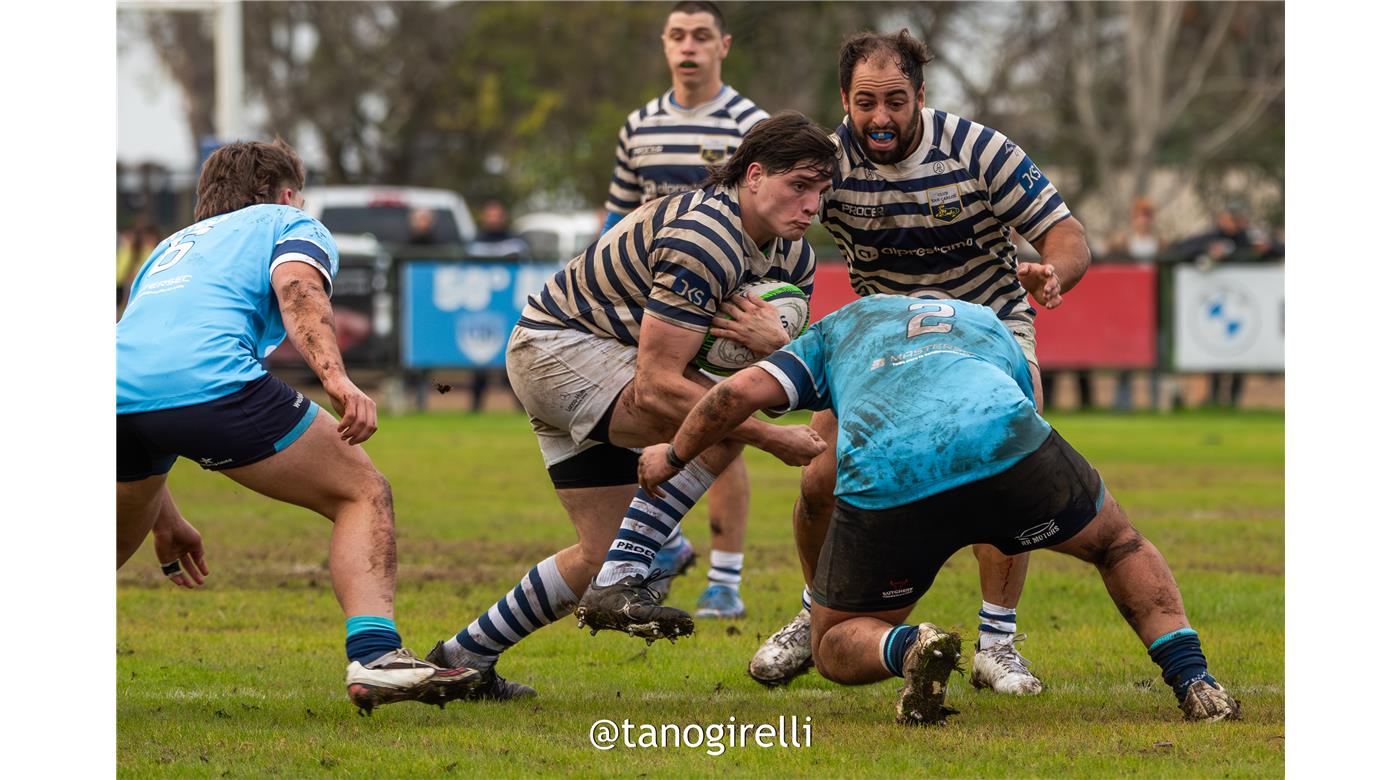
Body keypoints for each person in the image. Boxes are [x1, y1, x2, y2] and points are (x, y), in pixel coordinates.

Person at [638, 294, 1241, 725]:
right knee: (1118, 544)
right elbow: (1026, 403)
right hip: (1005, 444)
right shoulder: (985, 321)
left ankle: (912, 646)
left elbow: (735, 393)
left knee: (835, 643)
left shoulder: (840, 326)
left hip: (896, 474)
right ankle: (1195, 681)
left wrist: (672, 453)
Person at [425, 112, 836, 695]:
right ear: (753, 174)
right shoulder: (708, 236)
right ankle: (624, 577)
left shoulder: (792, 258)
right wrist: (771, 440)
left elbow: (765, 389)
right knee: (719, 420)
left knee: (599, 550)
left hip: (593, 362)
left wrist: (779, 347)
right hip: (559, 350)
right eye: (799, 186)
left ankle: (461, 659)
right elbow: (659, 386)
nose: (811, 206)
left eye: (821, 192)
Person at [747, 29, 1093, 696]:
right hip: (886, 345)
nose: (880, 118)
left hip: (988, 337)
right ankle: (815, 612)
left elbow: (1065, 231)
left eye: (896, 102)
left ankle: (998, 644)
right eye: (866, 102)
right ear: (844, 99)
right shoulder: (828, 165)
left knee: (1000, 475)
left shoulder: (977, 149)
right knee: (819, 473)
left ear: (921, 97)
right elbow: (768, 215)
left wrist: (1055, 272)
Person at [116, 139, 481, 715]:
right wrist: (338, 381)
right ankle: (377, 655)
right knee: (361, 492)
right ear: (287, 193)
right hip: (214, 383)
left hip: (114, 396)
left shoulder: (167, 251)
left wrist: (166, 517)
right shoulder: (287, 221)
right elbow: (299, 289)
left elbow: (149, 375)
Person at [599, 0, 770, 619]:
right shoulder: (638, 125)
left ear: (723, 45)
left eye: (701, 36)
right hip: (649, 304)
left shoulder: (751, 123)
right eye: (677, 36)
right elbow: (617, 220)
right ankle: (663, 545)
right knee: (635, 419)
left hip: (724, 305)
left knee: (722, 427)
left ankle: (725, 581)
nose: (688, 47)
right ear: (664, 45)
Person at [1160, 202, 1284, 407]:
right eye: (1230, 218)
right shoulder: (1210, 238)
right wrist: (1207, 252)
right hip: (1216, 304)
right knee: (1215, 357)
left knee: (1241, 359)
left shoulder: (1250, 239)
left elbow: (1280, 250)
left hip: (1245, 307)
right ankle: (1215, 399)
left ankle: (1234, 402)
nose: (1234, 223)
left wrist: (1268, 249)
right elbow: (1177, 251)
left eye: (1237, 218)